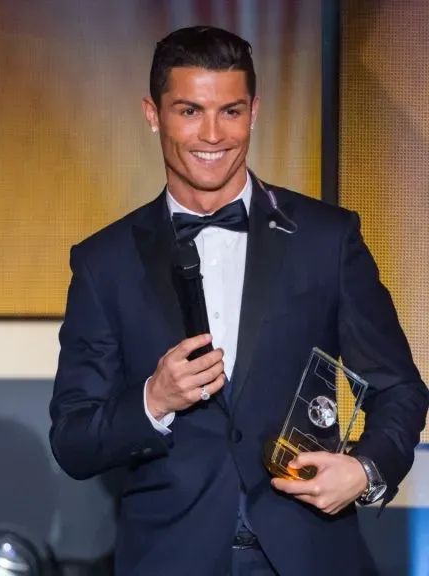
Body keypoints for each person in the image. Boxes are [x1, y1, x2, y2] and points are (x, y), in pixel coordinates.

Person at [48, 25, 428, 575]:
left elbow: (400, 388)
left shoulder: (326, 238)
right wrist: (153, 399)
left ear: (254, 112)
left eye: (230, 111)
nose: (212, 134)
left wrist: (366, 471)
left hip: (311, 553)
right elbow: (73, 440)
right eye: (189, 111)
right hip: (170, 557)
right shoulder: (105, 262)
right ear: (153, 113)